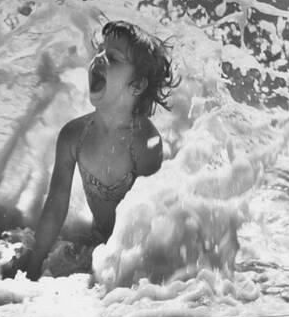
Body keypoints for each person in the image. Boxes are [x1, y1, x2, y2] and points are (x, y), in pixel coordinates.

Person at [25, 20, 182, 281]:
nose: (99, 58)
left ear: (137, 86)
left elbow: (152, 221)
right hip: (97, 244)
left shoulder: (143, 143)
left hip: (130, 255)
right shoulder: (74, 136)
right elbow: (55, 206)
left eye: (113, 58)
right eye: (100, 51)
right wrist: (35, 261)